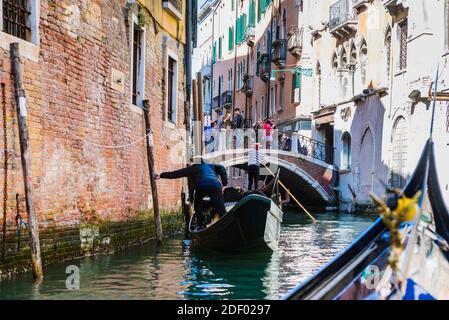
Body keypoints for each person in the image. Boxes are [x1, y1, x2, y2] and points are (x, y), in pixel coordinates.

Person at [155, 159, 228, 230]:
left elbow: (176, 173)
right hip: (215, 185)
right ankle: (226, 224)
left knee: (198, 205)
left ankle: (201, 225)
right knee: (221, 209)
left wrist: (161, 175)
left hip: (201, 186)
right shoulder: (212, 166)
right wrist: (224, 184)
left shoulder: (193, 168)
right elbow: (222, 168)